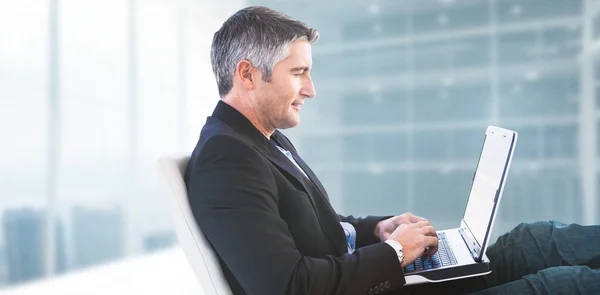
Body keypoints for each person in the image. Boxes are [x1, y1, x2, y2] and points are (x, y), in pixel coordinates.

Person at [185, 6, 600, 295]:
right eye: (299, 73)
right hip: (373, 287)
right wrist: (396, 252)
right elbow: (288, 286)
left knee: (533, 240)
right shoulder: (228, 159)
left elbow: (310, 225)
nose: (311, 89)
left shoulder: (258, 138)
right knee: (562, 284)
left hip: (372, 278)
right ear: (247, 74)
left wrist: (377, 229)